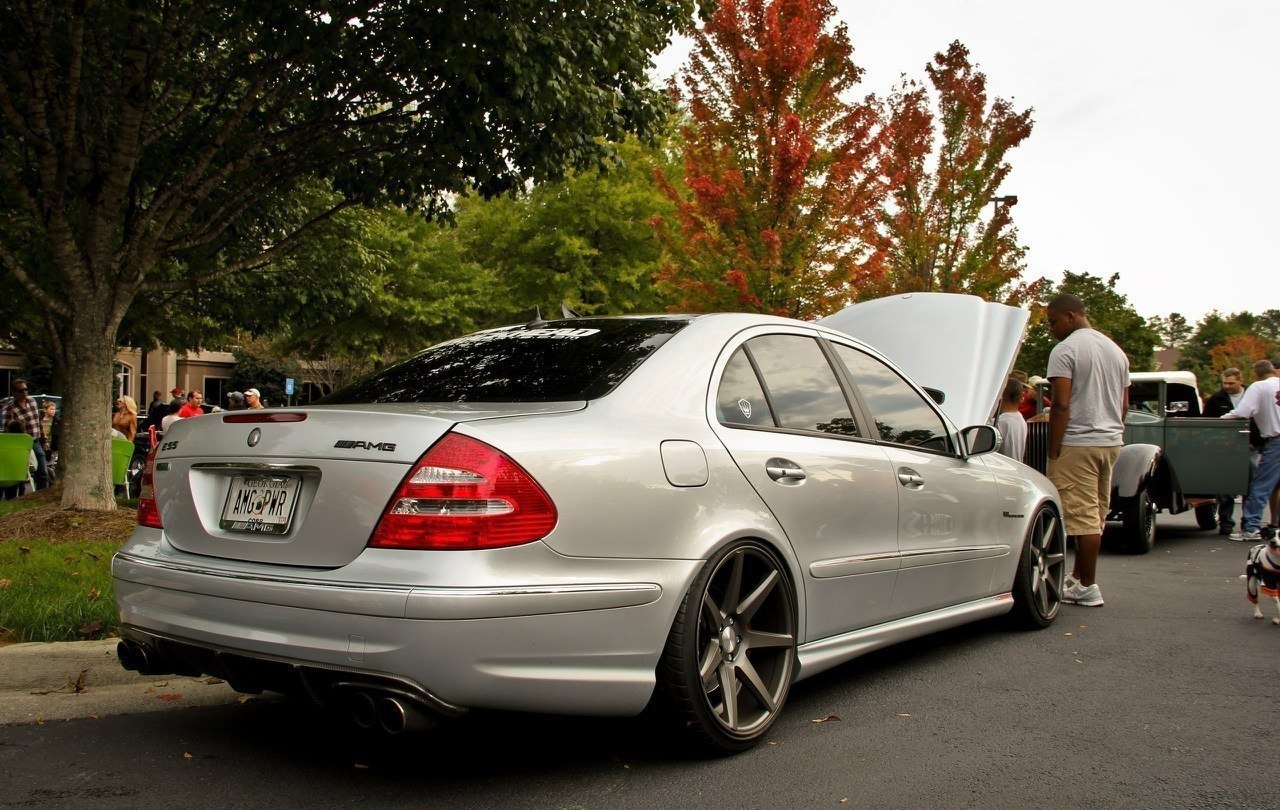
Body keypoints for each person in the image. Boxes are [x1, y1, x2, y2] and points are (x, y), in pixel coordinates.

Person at [1044, 294, 1130, 607]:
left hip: (1078, 441)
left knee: (1082, 518)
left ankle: (1089, 586)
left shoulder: (1065, 350)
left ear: (1070, 315)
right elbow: (1123, 405)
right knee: (1094, 514)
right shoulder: (1116, 351)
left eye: (1053, 321)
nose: (1052, 328)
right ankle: (1079, 580)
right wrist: (1112, 431)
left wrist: (1054, 450)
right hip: (1111, 442)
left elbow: (1061, 404)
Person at [1221, 359, 1280, 542]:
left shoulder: (1258, 387)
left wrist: (1224, 418)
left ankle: (1251, 527)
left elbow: (1243, 411)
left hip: (1275, 440)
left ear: (1256, 374)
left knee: (1261, 486)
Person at [1202, 368, 1248, 534]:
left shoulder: (1251, 395)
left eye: (1231, 383)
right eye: (1225, 383)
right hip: (1225, 447)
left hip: (1249, 444)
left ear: (1240, 381)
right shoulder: (1216, 399)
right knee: (1226, 487)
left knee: (1251, 484)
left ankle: (1248, 522)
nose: (1227, 386)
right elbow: (1207, 423)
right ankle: (1226, 522)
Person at [1, 379, 48, 490]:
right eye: (21, 390)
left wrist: (44, 440)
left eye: (26, 389)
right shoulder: (9, 409)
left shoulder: (32, 401)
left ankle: (41, 495)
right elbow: (8, 432)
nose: (24, 392)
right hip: (20, 445)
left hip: (35, 441)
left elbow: (38, 422)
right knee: (19, 474)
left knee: (42, 472)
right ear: (14, 392)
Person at [996, 376, 1029, 462]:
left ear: (1001, 396)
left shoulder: (1000, 422)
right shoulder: (1021, 420)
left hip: (1003, 470)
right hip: (1017, 468)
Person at [40, 399, 60, 479]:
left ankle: (53, 482)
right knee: (42, 466)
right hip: (42, 445)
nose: (53, 411)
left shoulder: (56, 421)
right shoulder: (40, 420)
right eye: (51, 409)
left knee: (49, 465)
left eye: (54, 409)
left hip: (52, 446)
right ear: (45, 410)